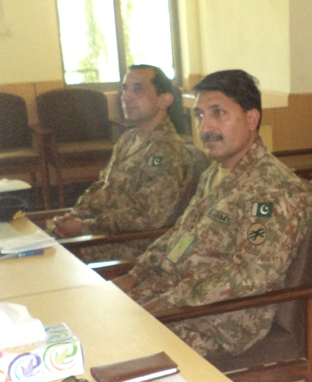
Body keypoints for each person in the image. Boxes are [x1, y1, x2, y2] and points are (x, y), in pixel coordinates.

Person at [114, 70, 312, 357]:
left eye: (218, 113)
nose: (205, 127)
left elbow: (251, 276)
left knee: (121, 345)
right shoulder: (215, 173)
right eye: (200, 115)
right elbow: (182, 234)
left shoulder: (273, 189)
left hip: (221, 319)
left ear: (251, 119)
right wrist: (137, 274)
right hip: (178, 292)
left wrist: (172, 300)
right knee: (103, 316)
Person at [52, 65, 202, 261]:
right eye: (124, 89)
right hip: (102, 234)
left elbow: (147, 218)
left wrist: (85, 227)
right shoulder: (128, 139)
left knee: (52, 258)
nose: (126, 97)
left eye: (137, 89)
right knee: (40, 247)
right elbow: (103, 186)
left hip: (133, 247)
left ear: (164, 100)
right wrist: (75, 215)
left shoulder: (167, 150)